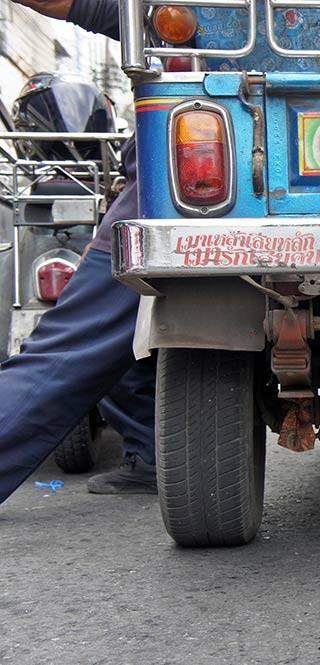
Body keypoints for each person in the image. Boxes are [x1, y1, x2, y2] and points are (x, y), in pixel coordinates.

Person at [0, 0, 156, 502]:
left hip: (186, 187)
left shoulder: (187, 11)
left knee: (76, 346)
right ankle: (152, 453)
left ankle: (153, 454)